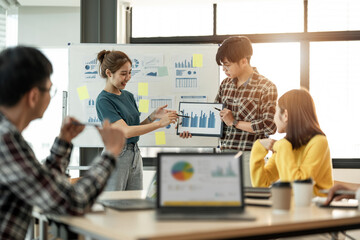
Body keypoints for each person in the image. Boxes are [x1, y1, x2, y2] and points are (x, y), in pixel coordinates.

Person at [0, 46, 125, 240]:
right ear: (33, 96)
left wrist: (64, 142)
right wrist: (110, 153)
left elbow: (45, 187)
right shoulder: (5, 141)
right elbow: (72, 203)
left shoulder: (7, 136)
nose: (51, 95)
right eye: (51, 89)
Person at [180, 36, 278, 187]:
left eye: (227, 65)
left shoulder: (266, 87)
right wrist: (190, 127)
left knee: (250, 205)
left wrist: (234, 123)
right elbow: (214, 116)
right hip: (223, 157)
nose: (224, 70)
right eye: (222, 66)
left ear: (244, 61)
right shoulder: (225, 84)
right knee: (223, 204)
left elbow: (269, 126)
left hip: (249, 157)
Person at [96, 50, 178, 191]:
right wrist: (160, 124)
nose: (128, 77)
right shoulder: (103, 100)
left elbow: (134, 128)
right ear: (109, 73)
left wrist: (152, 117)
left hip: (135, 154)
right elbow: (126, 132)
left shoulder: (128, 96)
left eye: (129, 72)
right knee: (114, 204)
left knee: (133, 203)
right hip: (116, 156)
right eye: (123, 73)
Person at [250, 89, 333, 196]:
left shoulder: (319, 141)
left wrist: (282, 146)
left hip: (315, 209)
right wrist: (258, 147)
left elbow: (300, 188)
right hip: (293, 209)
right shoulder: (285, 144)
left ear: (285, 115)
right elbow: (262, 185)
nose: (274, 118)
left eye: (275, 112)